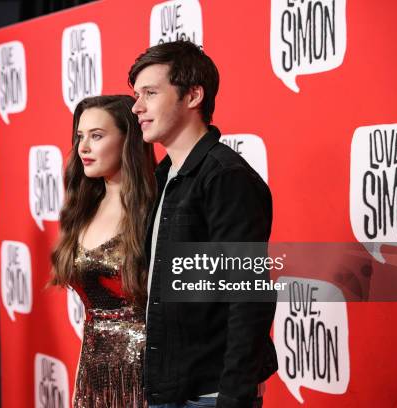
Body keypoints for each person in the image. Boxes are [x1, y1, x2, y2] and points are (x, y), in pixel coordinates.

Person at [129, 41, 277, 408]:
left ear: (193, 95)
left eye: (150, 93)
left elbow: (249, 292)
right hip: (170, 386)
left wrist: (234, 394)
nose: (137, 107)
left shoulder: (226, 177)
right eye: (136, 95)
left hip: (209, 394)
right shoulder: (164, 177)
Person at [50, 95, 156, 407]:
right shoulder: (83, 207)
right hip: (94, 372)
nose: (83, 148)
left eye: (97, 136)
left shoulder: (157, 207)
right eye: (80, 137)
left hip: (148, 373)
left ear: (129, 141)